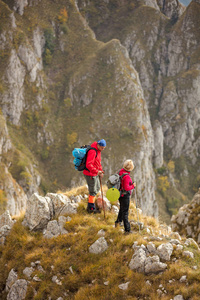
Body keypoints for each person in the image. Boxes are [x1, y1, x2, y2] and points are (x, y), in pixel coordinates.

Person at [83, 139, 106, 213]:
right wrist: (97, 171)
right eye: (102, 147)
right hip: (90, 174)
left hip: (95, 173)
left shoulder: (98, 151)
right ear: (98, 145)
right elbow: (88, 164)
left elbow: (97, 163)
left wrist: (100, 171)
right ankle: (91, 209)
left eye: (104, 148)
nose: (103, 149)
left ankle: (90, 205)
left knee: (97, 188)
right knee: (92, 191)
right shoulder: (92, 151)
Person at [115, 159, 135, 234]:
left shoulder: (120, 172)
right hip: (125, 195)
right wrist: (133, 186)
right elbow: (127, 188)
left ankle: (117, 222)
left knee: (122, 209)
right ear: (131, 168)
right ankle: (127, 229)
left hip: (119, 193)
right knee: (125, 212)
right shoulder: (127, 176)